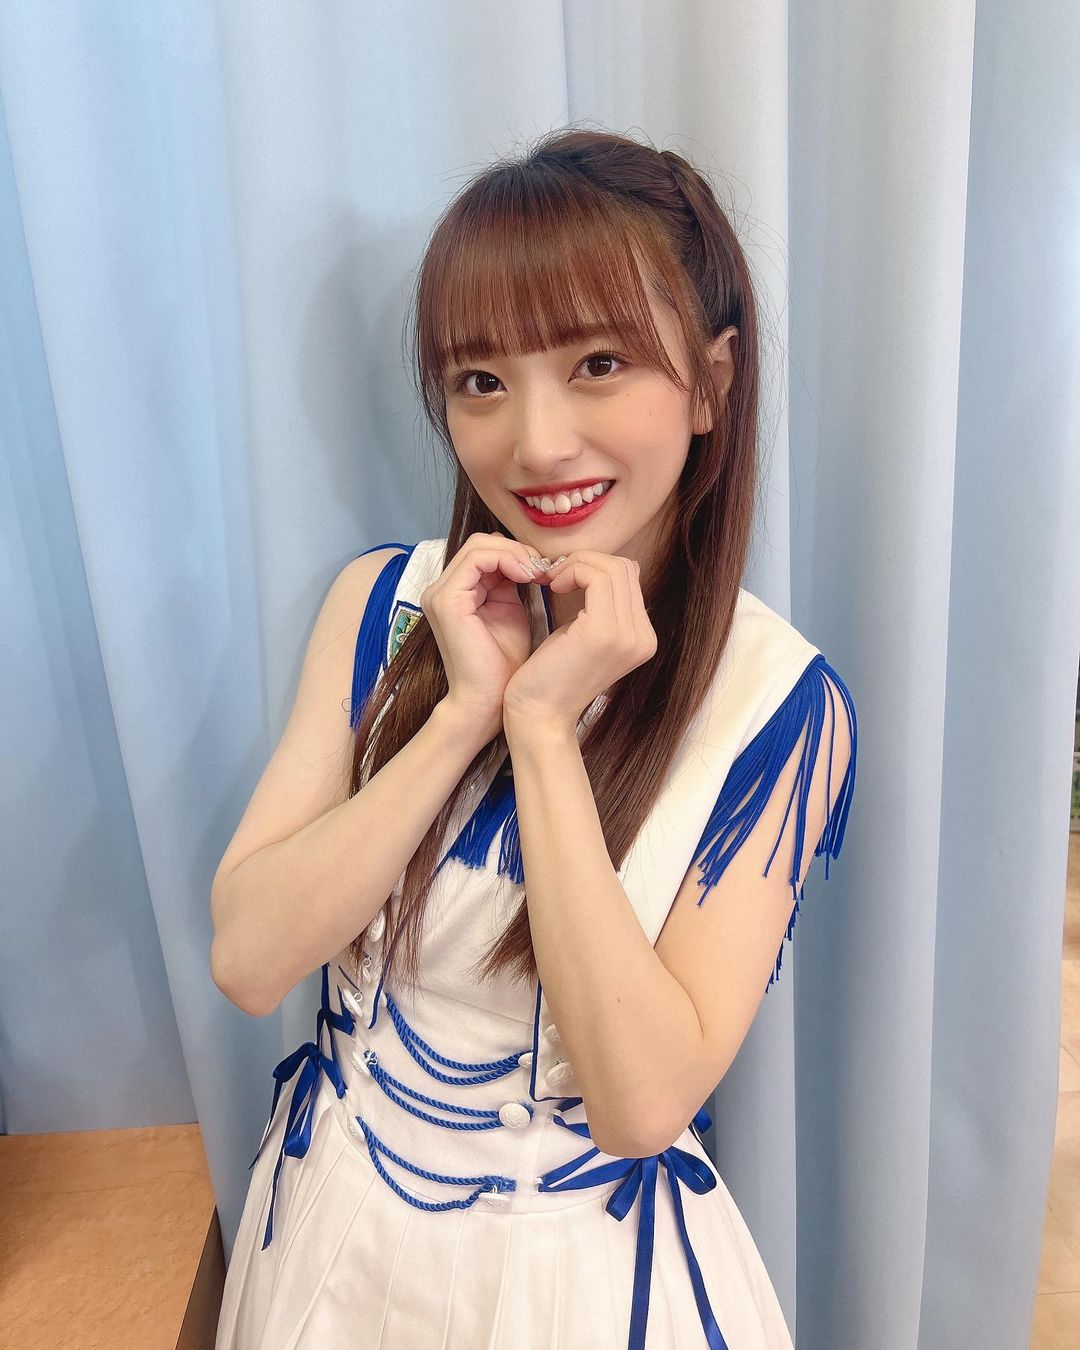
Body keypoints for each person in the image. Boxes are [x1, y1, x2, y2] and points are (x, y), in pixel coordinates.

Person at [211, 125, 857, 1350]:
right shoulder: (384, 606)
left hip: (572, 1285)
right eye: (481, 382)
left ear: (711, 382)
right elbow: (248, 960)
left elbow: (641, 1103)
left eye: (599, 362)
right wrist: (464, 711)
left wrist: (546, 729)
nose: (538, 443)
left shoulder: (779, 703)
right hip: (331, 1240)